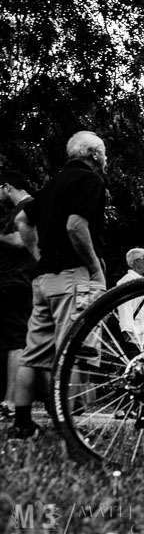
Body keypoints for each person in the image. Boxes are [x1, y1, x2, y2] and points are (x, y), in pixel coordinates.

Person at [8, 131, 108, 439]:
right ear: (94, 154)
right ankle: (69, 428)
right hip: (72, 277)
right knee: (72, 352)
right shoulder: (90, 180)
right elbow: (75, 225)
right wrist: (94, 267)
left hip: (43, 280)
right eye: (104, 153)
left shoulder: (52, 184)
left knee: (33, 354)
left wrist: (38, 254)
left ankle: (22, 423)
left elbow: (23, 221)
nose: (105, 159)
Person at [0, 170, 35, 419]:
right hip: (11, 280)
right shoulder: (17, 210)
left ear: (7, 186)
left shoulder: (30, 206)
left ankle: (11, 400)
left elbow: (25, 239)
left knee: (15, 340)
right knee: (9, 339)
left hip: (18, 282)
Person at [116, 248, 144, 350]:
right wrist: (127, 330)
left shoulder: (141, 281)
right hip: (134, 334)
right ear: (137, 261)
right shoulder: (127, 280)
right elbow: (125, 307)